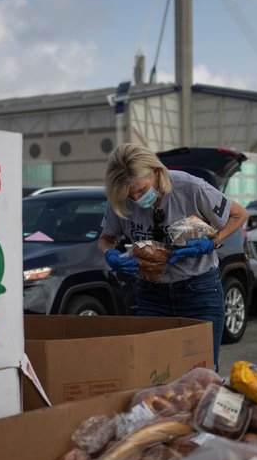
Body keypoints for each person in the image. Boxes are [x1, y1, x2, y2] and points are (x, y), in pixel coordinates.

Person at [97, 143, 248, 371]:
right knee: (155, 371)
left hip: (199, 292)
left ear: (156, 173)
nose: (136, 199)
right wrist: (110, 254)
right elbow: (105, 239)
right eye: (131, 194)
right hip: (151, 295)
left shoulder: (190, 187)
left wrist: (212, 242)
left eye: (141, 190)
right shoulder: (120, 197)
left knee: (201, 373)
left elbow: (239, 214)